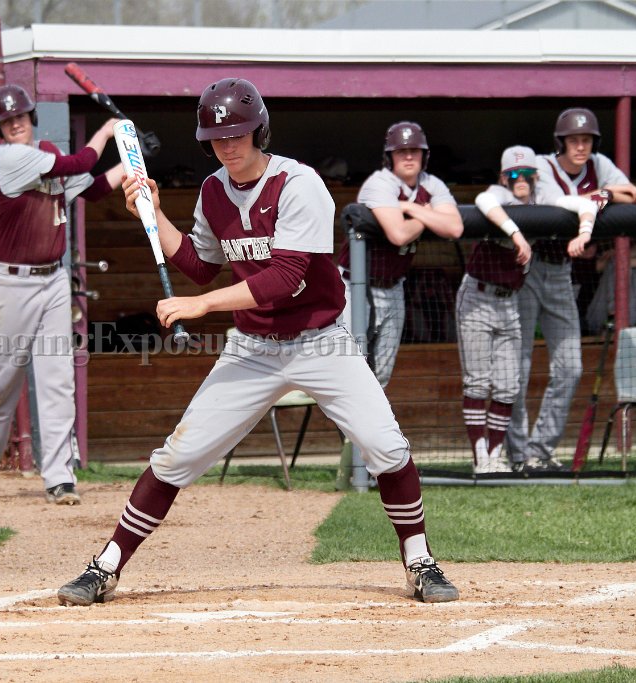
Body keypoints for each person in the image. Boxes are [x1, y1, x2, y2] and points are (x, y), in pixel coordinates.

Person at [56, 78, 459, 607]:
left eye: (238, 134)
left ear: (259, 130)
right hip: (253, 348)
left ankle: (420, 562)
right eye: (217, 137)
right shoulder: (212, 190)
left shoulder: (299, 183)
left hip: (321, 341)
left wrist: (202, 306)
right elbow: (201, 265)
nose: (228, 145)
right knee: (177, 456)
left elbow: (285, 277)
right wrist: (154, 216)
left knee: (386, 446)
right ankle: (106, 566)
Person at [0, 84, 123, 505]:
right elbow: (79, 161)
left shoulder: (45, 152)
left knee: (57, 380)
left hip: (53, 280)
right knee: (4, 381)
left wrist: (133, 161)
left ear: (32, 117)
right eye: (6, 120)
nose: (15, 124)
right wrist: (108, 131)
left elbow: (92, 187)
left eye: (21, 116)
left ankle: (60, 478)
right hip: (12, 283)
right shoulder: (8, 158)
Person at [507, 107, 636, 473]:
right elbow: (562, 206)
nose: (581, 146)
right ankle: (517, 455)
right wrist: (609, 194)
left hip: (561, 272)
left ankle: (541, 450)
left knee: (570, 366)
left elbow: (634, 196)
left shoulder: (599, 165)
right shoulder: (541, 165)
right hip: (527, 267)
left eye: (586, 140)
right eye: (574, 140)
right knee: (518, 366)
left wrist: (608, 191)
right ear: (561, 143)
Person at [337, 121, 463, 387]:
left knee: (381, 375)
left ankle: (371, 417)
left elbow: (454, 227)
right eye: (401, 151)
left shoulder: (431, 184)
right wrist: (427, 214)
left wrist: (411, 209)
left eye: (414, 151)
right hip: (355, 287)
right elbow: (399, 234)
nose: (408, 156)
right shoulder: (379, 183)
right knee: (351, 372)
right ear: (389, 156)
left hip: (394, 287)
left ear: (424, 155)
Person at [460, 146, 537, 474]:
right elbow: (484, 200)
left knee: (508, 384)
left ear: (535, 177)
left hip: (510, 302)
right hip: (478, 295)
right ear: (504, 177)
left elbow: (572, 203)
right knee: (477, 382)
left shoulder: (540, 200)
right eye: (514, 174)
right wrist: (517, 235)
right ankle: (481, 458)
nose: (521, 180)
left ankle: (495, 455)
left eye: (527, 174)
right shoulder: (497, 194)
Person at [584, 242, 636, 334]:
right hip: (601, 315)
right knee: (616, 263)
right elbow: (600, 265)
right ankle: (613, 317)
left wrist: (618, 253)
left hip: (633, 315)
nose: (590, 249)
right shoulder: (579, 260)